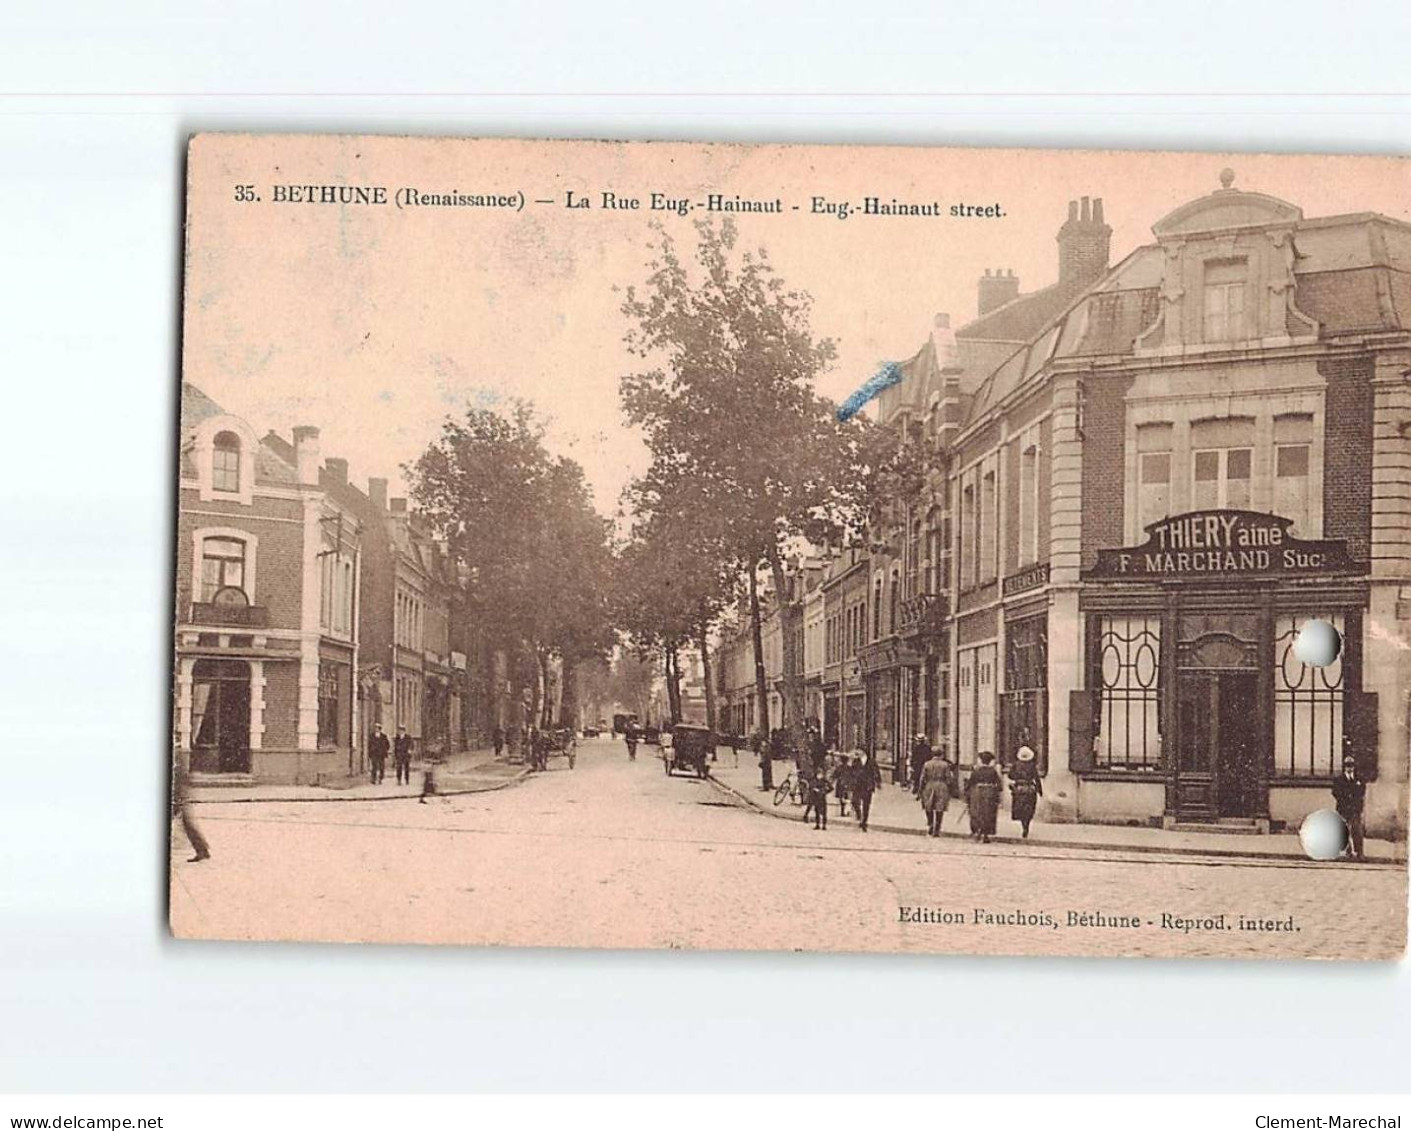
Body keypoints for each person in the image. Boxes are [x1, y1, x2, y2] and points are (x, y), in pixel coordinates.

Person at [172, 752, 210, 863]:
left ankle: (202, 850)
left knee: (188, 823)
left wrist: (180, 798)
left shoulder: (178, 758)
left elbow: (180, 779)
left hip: (180, 797)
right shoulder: (178, 757)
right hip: (180, 796)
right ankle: (202, 850)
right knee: (188, 823)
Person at [1331, 752, 1367, 861]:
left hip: (1355, 809)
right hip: (1343, 808)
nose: (1349, 768)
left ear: (1354, 767)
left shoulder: (1359, 780)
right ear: (1344, 767)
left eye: (1351, 765)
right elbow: (1335, 792)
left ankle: (1360, 853)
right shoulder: (1339, 780)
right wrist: (1346, 797)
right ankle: (1348, 852)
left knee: (1357, 830)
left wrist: (1356, 802)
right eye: (1347, 765)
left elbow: (1361, 792)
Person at [966, 751, 1002, 843]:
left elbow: (970, 783)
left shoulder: (976, 771)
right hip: (990, 793)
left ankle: (977, 831)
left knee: (976, 812)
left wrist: (967, 793)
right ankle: (986, 834)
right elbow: (999, 785)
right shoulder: (993, 771)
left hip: (977, 793)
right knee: (988, 813)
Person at [1009, 743, 1043, 838]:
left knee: (1020, 808)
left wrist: (1017, 777)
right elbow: (1036, 778)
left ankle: (1023, 825)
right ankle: (1026, 825)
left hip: (1019, 788)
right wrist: (1040, 790)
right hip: (1029, 789)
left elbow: (1010, 775)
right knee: (1029, 808)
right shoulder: (1032, 766)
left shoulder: (1016, 765)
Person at [918, 749, 954, 836]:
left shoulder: (927, 764)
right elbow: (948, 778)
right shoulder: (945, 765)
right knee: (939, 807)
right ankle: (937, 828)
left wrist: (920, 789)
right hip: (941, 785)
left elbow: (922, 777)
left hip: (929, 785)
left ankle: (930, 824)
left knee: (928, 806)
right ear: (941, 754)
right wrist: (950, 787)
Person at [852, 753, 878, 832]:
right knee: (855, 801)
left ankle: (864, 822)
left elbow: (876, 772)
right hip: (858, 786)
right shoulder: (856, 761)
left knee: (866, 805)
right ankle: (859, 815)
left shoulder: (871, 762)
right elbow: (852, 772)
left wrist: (876, 782)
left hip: (867, 787)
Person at [808, 765, 831, 830]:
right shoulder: (814, 780)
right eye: (818, 773)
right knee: (817, 811)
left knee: (824, 812)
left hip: (822, 797)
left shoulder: (824, 781)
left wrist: (824, 791)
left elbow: (831, 787)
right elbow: (811, 786)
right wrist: (814, 790)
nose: (819, 775)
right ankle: (817, 824)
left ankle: (824, 825)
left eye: (820, 773)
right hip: (816, 797)